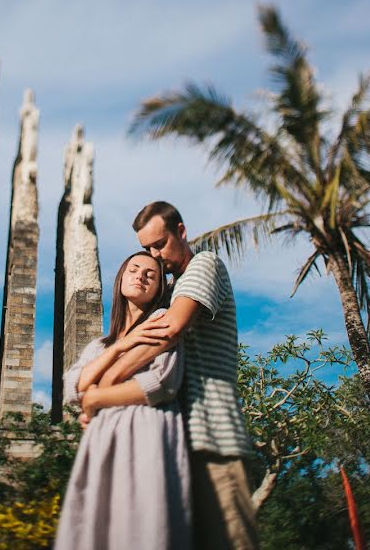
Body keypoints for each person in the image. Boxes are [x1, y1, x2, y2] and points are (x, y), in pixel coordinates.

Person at [97, 201, 258, 550]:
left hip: (214, 439)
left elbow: (171, 329)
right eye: (146, 248)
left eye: (159, 244)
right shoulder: (170, 290)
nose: (154, 254)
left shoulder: (203, 265)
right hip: (175, 447)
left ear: (181, 232)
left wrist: (107, 381)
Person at [55, 251, 192, 550]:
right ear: (120, 280)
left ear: (159, 288)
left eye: (151, 274)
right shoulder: (99, 346)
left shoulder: (161, 320)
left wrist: (95, 397)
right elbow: (72, 389)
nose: (141, 275)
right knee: (97, 529)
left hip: (147, 431)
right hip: (102, 440)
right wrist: (122, 346)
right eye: (133, 269)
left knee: (144, 527)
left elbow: (161, 383)